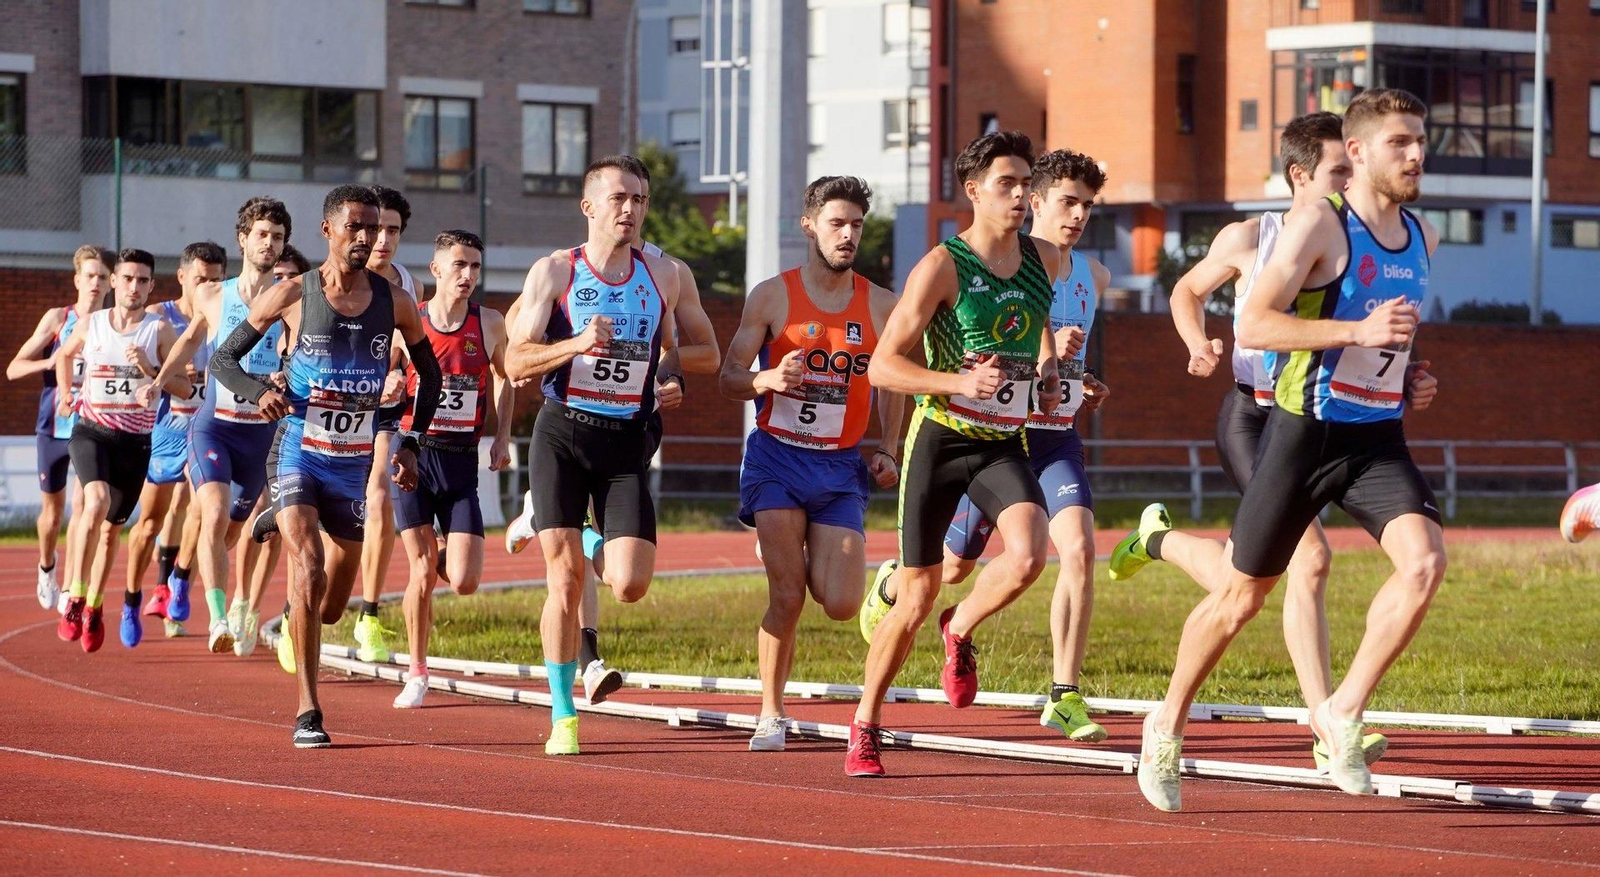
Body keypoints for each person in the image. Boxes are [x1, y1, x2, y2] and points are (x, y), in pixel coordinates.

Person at [1125, 88, 1445, 811]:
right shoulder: (1313, 227)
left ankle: (1339, 711)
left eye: (1421, 140)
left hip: (1375, 436)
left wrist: (1412, 376)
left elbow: (1395, 333)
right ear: (1358, 153)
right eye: (1400, 143)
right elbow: (1259, 328)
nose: (1417, 154)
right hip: (1302, 432)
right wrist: (1357, 335)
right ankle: (1165, 720)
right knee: (1241, 596)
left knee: (1425, 562)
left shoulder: (1423, 236)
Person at [847, 131, 1062, 778]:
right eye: (1008, 183)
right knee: (914, 598)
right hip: (941, 438)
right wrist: (958, 382)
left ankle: (960, 629)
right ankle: (865, 721)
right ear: (973, 191)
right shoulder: (943, 265)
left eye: (1028, 183)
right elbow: (884, 366)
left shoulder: (1047, 260)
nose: (1023, 195)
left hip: (1001, 441)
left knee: (1028, 555)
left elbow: (1035, 325)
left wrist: (1048, 372)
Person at [210, 184, 440, 748]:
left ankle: (272, 523)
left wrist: (409, 442)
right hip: (297, 450)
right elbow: (223, 358)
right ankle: (308, 711)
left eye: (374, 228)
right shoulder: (292, 294)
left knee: (332, 604)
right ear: (328, 231)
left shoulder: (397, 302)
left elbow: (429, 378)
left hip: (353, 465)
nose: (365, 238)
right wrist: (254, 390)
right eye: (354, 227)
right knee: (307, 569)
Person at [506, 155, 712, 755]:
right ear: (590, 206)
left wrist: (669, 373)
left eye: (640, 200)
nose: (630, 210)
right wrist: (575, 343)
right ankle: (564, 714)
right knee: (565, 580)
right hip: (563, 434)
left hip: (626, 440)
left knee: (628, 585)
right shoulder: (555, 272)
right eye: (619, 198)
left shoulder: (667, 274)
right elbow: (516, 361)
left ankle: (568, 528)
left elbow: (703, 349)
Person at [920, 149, 1114, 744]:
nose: (1078, 215)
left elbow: (1066, 365)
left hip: (1052, 435)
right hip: (996, 434)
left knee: (1076, 549)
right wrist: (1046, 345)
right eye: (1067, 202)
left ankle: (1064, 692)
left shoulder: (1096, 277)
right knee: (952, 567)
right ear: (1035, 202)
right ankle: (940, 611)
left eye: (1088, 206)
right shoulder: (1005, 263)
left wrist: (1084, 384)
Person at [719, 176, 903, 751]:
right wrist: (767, 379)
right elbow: (728, 378)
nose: (848, 236)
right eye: (837, 224)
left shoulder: (880, 303)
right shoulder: (772, 295)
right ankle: (771, 713)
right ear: (810, 224)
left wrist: (889, 447)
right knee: (787, 596)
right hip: (776, 458)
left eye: (856, 225)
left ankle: (869, 586)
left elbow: (892, 382)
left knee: (842, 605)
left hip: (840, 466)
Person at [145, 197, 292, 652]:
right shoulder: (213, 294)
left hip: (260, 433)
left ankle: (190, 576)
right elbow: (190, 341)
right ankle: (217, 619)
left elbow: (300, 352)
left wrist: (288, 374)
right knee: (211, 510)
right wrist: (159, 381)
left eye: (278, 237)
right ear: (244, 239)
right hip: (215, 425)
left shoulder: (291, 298)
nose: (270, 243)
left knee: (232, 529)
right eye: (262, 234)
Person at [391, 231, 513, 708]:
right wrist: (393, 379)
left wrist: (501, 437)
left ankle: (443, 543)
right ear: (437, 269)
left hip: (461, 460)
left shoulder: (491, 323)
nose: (468, 275)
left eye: (476, 267)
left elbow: (506, 379)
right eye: (459, 265)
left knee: (463, 581)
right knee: (422, 571)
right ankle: (417, 672)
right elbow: (389, 373)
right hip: (415, 455)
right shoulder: (410, 322)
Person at [53, 249, 180, 652]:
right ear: (114, 283)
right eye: (127, 279)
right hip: (92, 432)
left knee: (111, 533)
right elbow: (65, 354)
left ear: (151, 286)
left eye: (143, 281)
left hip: (135, 443)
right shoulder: (91, 325)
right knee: (95, 501)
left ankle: (93, 605)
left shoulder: (159, 330)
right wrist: (65, 391)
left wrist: (151, 372)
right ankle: (74, 594)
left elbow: (183, 386)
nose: (134, 287)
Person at [124, 242, 227, 645]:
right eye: (201, 279)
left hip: (206, 426)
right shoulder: (159, 317)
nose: (209, 287)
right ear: (183, 277)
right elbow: (139, 370)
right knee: (151, 522)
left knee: (202, 507)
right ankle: (133, 599)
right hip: (167, 427)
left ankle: (179, 580)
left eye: (217, 280)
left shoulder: (225, 314)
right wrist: (159, 370)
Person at [7, 244, 112, 611]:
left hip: (94, 427)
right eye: (89, 276)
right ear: (77, 280)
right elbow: (13, 367)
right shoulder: (58, 318)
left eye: (102, 276)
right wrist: (50, 361)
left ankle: (71, 586)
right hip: (54, 426)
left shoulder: (113, 322)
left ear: (110, 281)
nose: (95, 283)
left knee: (86, 504)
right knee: (52, 516)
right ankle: (47, 566)